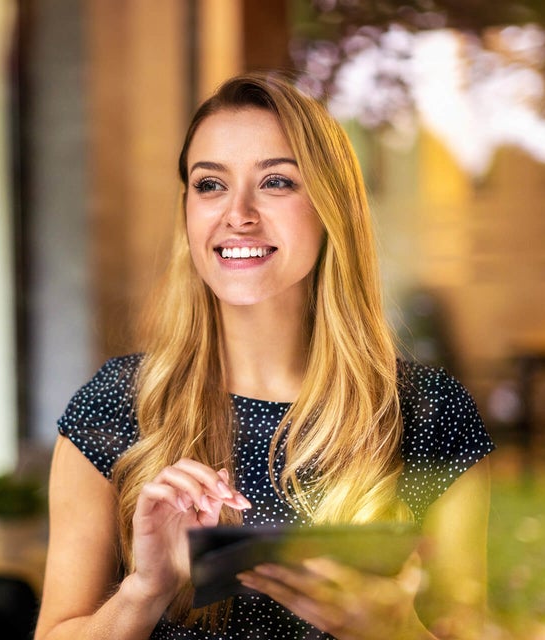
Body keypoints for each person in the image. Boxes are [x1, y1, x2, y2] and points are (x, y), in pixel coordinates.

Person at [33, 72, 495, 640]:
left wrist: (395, 631)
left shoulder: (430, 415)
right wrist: (144, 592)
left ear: (332, 206)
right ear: (187, 210)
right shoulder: (117, 405)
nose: (238, 213)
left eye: (276, 182)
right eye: (210, 185)